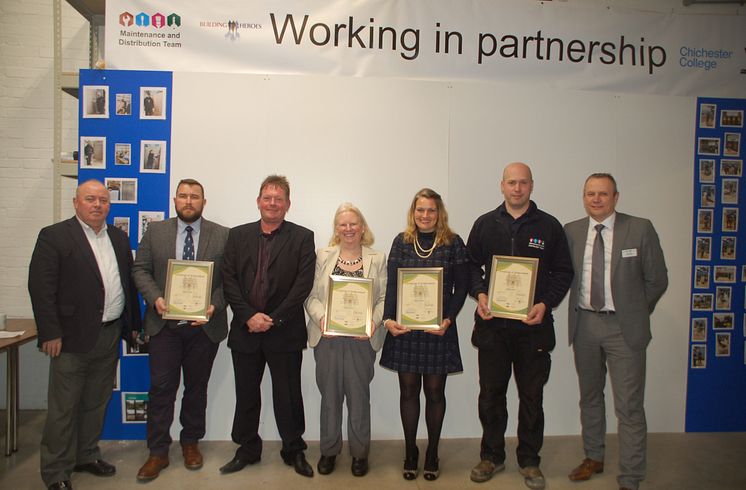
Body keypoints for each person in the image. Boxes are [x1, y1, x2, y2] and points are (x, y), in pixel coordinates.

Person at [28, 179, 141, 490]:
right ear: (76, 202)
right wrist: (50, 332)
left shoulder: (117, 237)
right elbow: (41, 288)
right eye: (90, 199)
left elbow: (127, 286)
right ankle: (56, 472)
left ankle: (86, 455)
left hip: (108, 334)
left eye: (103, 200)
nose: (97, 205)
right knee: (64, 408)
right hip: (69, 339)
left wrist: (132, 325)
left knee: (95, 402)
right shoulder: (55, 236)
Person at [466, 162, 573, 490]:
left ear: (531, 186)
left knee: (531, 397)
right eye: (511, 183)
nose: (517, 188)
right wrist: (480, 293)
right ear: (502, 185)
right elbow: (470, 267)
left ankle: (529, 460)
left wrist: (545, 303)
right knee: (491, 394)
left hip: (533, 329)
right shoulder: (485, 224)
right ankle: (491, 455)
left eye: (522, 183)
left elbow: (563, 272)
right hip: (493, 328)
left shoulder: (550, 226)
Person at [564, 173, 668, 490]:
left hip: (624, 328)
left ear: (616, 197)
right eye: (590, 193)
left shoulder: (639, 228)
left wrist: (635, 310)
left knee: (629, 407)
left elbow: (657, 279)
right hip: (585, 325)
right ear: (583, 196)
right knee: (590, 398)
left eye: (603, 194)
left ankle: (631, 474)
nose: (596, 199)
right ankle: (594, 457)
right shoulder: (572, 231)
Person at [132, 179, 229, 481]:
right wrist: (156, 299)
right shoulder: (156, 231)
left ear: (204, 201)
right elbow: (140, 269)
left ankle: (190, 442)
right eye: (183, 196)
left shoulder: (223, 235)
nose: (189, 201)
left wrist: (213, 305)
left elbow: (231, 280)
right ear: (175, 200)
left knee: (196, 388)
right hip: (165, 326)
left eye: (195, 197)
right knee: (161, 389)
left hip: (204, 328)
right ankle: (158, 451)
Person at [220, 175, 316, 477]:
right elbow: (229, 279)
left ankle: (294, 450)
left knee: (288, 394)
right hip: (245, 329)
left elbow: (303, 285)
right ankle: (247, 448)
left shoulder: (302, 237)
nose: (272, 203)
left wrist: (273, 318)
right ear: (258, 201)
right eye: (267, 197)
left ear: (288, 204)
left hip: (284, 330)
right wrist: (249, 315)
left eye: (279, 198)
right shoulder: (237, 236)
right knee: (246, 393)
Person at [379, 188, 469, 481]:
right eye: (420, 210)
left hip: (437, 330)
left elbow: (462, 287)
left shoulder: (453, 243)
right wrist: (388, 319)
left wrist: (448, 318)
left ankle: (431, 451)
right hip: (405, 330)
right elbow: (392, 285)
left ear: (439, 212)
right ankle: (410, 451)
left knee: (434, 392)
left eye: (431, 210)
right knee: (407, 392)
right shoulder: (402, 242)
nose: (425, 215)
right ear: (413, 212)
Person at [304, 203, 387, 477]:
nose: (349, 229)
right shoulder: (322, 256)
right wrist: (321, 319)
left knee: (359, 398)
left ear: (363, 227)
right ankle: (329, 451)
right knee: (329, 397)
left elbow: (385, 299)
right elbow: (310, 296)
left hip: (361, 341)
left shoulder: (378, 258)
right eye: (343, 224)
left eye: (354, 224)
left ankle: (360, 454)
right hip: (327, 338)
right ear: (336, 229)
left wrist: (373, 322)